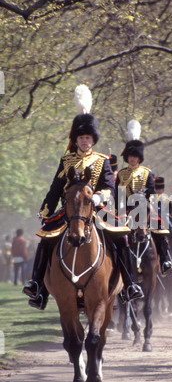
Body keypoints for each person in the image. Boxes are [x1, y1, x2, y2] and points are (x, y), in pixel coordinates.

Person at [23, 88, 143, 309]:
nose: (85, 141)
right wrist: (47, 209)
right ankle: (38, 287)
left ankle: (129, 285)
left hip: (97, 210)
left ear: (93, 139)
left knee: (121, 238)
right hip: (70, 210)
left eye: (88, 137)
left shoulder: (102, 160)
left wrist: (99, 198)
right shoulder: (66, 160)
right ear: (76, 139)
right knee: (46, 238)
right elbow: (56, 187)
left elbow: (109, 186)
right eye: (81, 137)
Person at [115, 120, 172, 276]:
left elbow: (153, 194)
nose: (133, 159)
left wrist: (149, 204)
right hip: (126, 209)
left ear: (139, 157)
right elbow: (117, 194)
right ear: (127, 157)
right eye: (130, 156)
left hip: (145, 207)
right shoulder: (121, 174)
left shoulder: (147, 173)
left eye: (135, 156)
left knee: (160, 228)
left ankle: (165, 261)